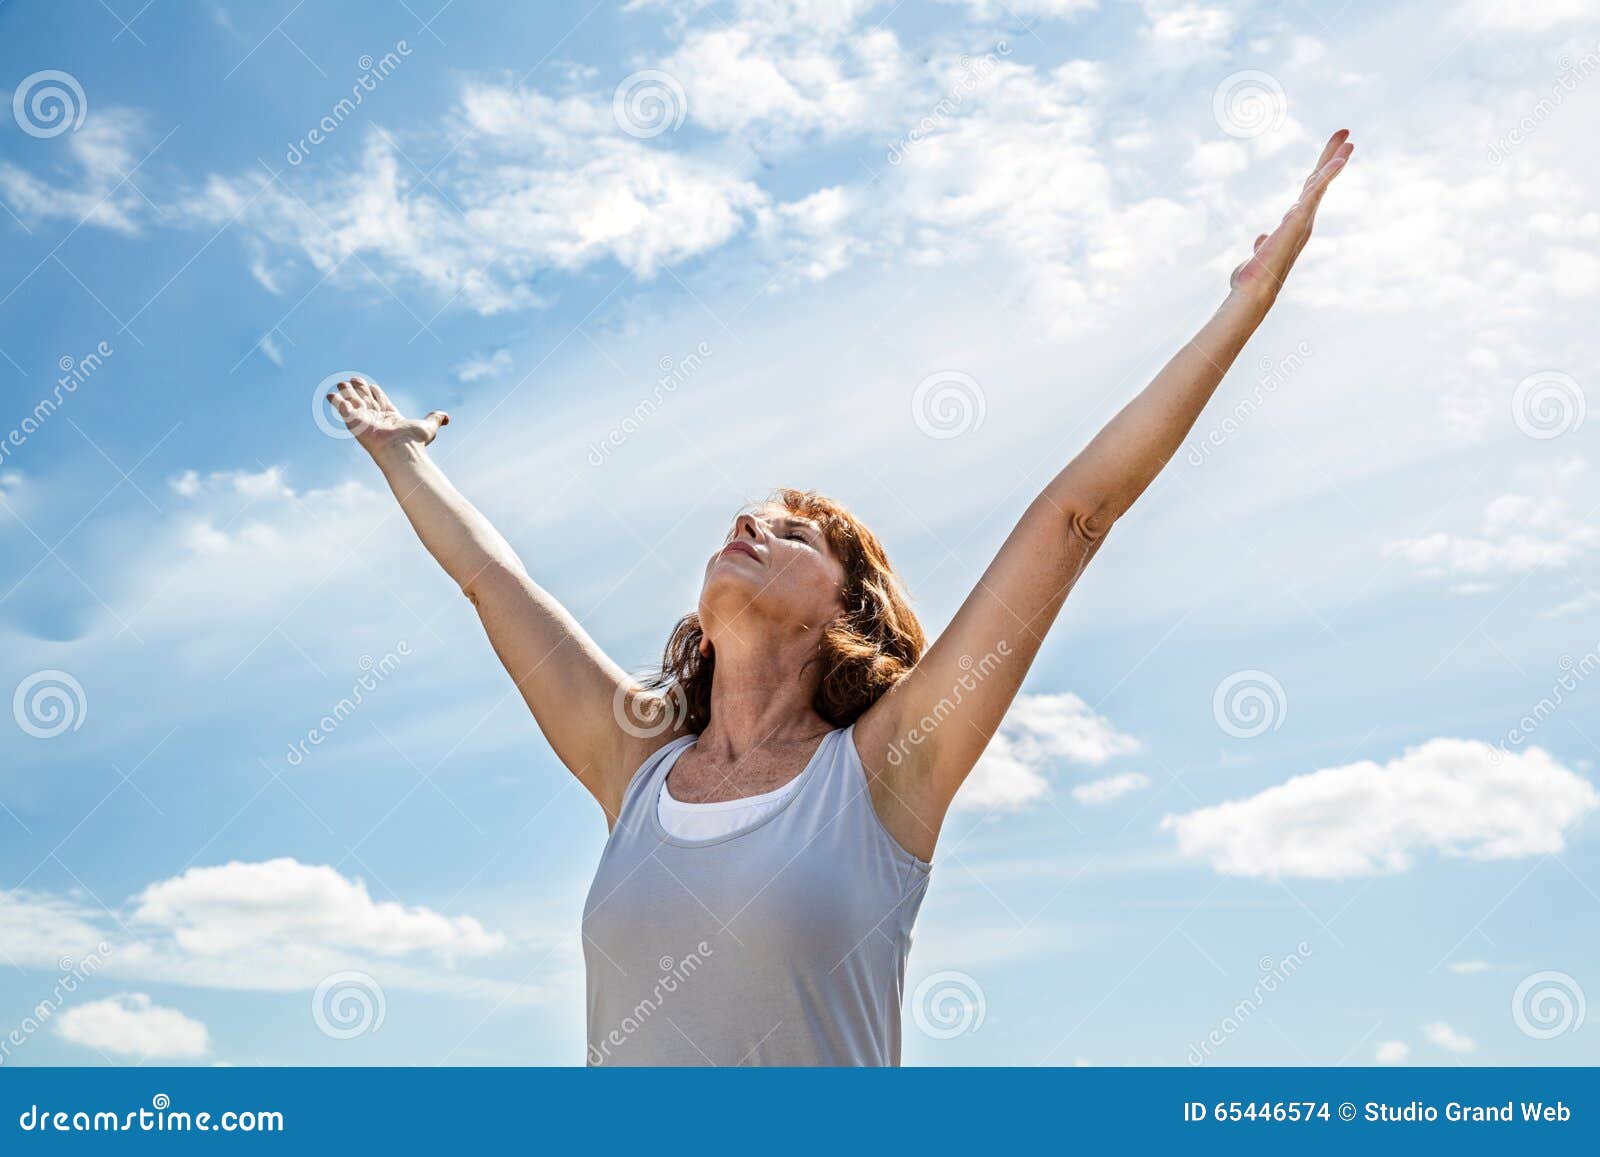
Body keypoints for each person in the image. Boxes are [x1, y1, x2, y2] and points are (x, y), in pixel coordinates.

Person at [327, 130, 1355, 1066]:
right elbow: (490, 579)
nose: (753, 524)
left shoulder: (884, 771)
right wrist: (402, 456)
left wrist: (1244, 306)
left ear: (844, 609)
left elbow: (1074, 516)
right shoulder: (632, 761)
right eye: (748, 515)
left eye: (795, 531)